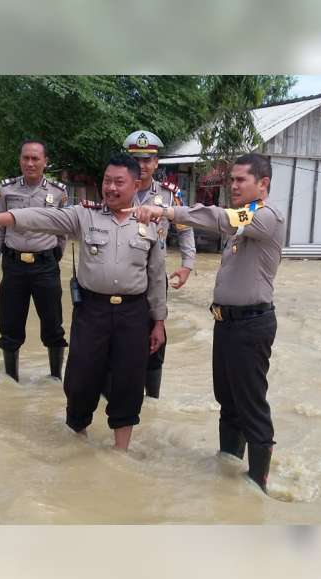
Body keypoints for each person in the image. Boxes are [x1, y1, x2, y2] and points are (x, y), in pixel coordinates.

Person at [0, 154, 167, 451]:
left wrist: (158, 321)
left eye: (118, 182)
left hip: (133, 313)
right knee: (81, 378)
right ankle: (78, 444)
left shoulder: (151, 222)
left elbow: (157, 276)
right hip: (91, 311)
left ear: (136, 184)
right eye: (107, 181)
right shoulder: (85, 216)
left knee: (128, 381)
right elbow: (42, 218)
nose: (110, 187)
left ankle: (120, 452)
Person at [127, 153, 284, 494]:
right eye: (233, 180)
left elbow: (216, 217)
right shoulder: (244, 221)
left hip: (251, 325)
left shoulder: (264, 216)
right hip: (227, 324)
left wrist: (165, 210)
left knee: (251, 405)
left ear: (264, 184)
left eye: (242, 179)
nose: (234, 185)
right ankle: (230, 473)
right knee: (228, 402)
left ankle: (258, 487)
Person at [0, 140, 69, 381]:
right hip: (13, 267)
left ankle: (55, 379)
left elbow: (62, 233)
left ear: (45, 162)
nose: (30, 163)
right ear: (20, 160)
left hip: (46, 267)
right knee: (10, 328)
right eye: (25, 158)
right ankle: (11, 381)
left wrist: (52, 258)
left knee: (53, 326)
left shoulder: (58, 192)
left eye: (35, 159)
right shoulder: (6, 189)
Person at [123, 130, 197, 399]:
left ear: (157, 163)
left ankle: (152, 397)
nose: (142, 166)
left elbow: (185, 229)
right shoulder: (116, 190)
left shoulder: (169, 196)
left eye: (148, 160)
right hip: (119, 278)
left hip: (154, 278)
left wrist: (187, 264)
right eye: (137, 159)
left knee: (156, 333)